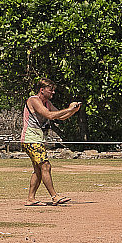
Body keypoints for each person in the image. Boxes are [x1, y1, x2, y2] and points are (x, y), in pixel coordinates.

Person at [21, 78, 82, 206]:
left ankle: (31, 198)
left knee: (38, 170)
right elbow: (50, 116)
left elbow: (60, 117)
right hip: (30, 140)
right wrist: (69, 108)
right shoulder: (34, 100)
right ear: (42, 90)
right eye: (51, 90)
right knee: (46, 166)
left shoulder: (47, 103)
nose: (53, 93)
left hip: (36, 140)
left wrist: (73, 111)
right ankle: (54, 196)